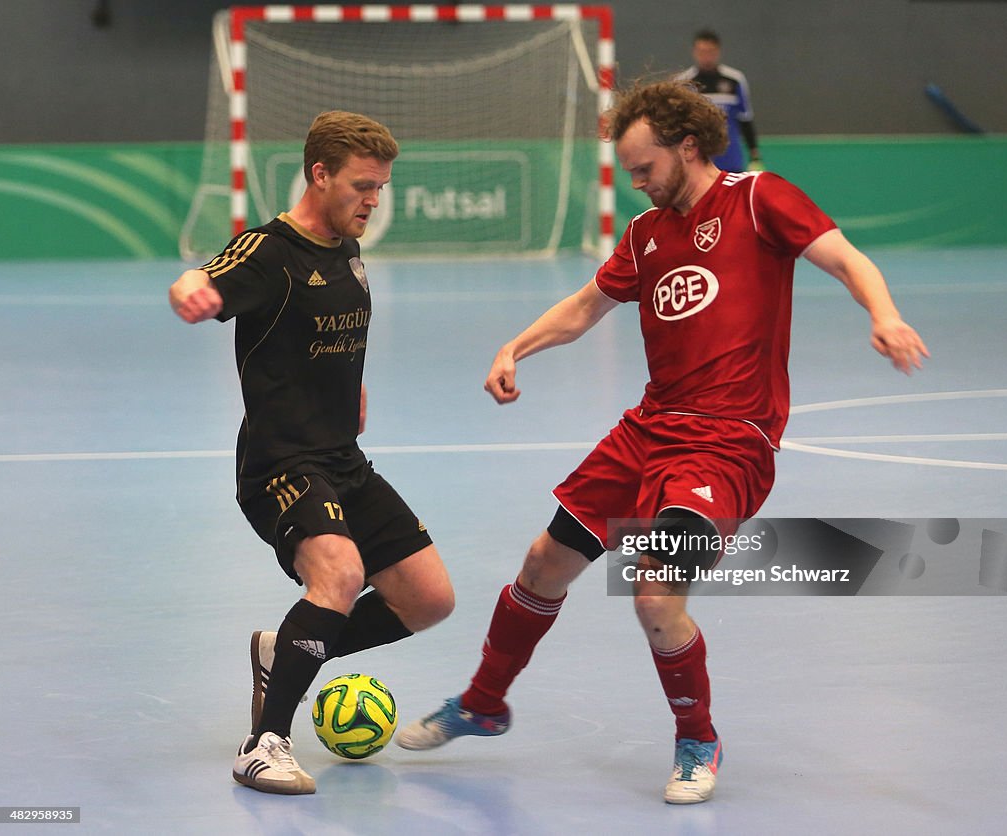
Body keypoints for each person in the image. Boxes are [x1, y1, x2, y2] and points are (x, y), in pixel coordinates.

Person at [394, 80, 928, 805]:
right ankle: (485, 704)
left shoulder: (758, 199)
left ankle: (697, 739)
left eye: (645, 168)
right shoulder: (645, 235)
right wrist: (515, 346)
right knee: (544, 561)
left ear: (687, 147)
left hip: (728, 443)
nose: (637, 182)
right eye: (630, 172)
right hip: (648, 430)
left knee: (654, 593)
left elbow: (846, 259)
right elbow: (586, 306)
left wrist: (885, 315)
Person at [168, 111, 455, 795]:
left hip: (344, 459)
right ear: (319, 174)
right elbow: (201, 276)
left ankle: (281, 650)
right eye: (362, 186)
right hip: (280, 464)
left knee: (429, 600)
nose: (373, 201)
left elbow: (333, 338)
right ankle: (264, 744)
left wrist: (349, 394)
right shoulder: (269, 252)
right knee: (340, 574)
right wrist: (191, 291)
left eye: (381, 188)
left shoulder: (348, 251)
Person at [674, 29, 762, 172]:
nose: (706, 57)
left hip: (731, 161)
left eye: (710, 51)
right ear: (694, 52)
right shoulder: (683, 83)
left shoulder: (735, 80)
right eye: (702, 52)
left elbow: (745, 119)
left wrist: (754, 155)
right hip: (698, 164)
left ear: (718, 52)